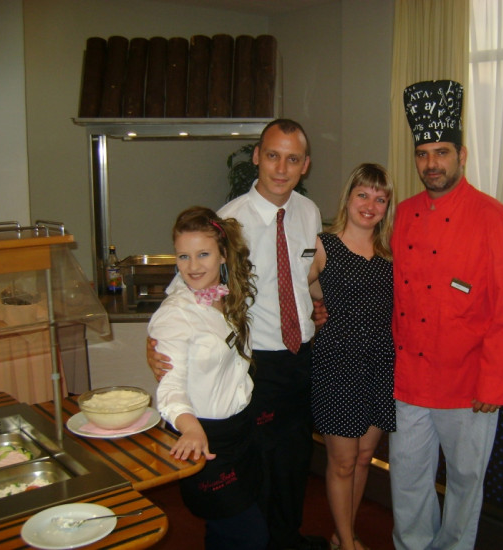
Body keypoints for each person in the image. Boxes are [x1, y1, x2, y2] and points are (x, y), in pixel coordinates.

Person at [148, 119, 326, 550]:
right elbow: (185, 286)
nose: (281, 168)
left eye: (292, 159)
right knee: (257, 471)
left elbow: (300, 276)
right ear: (257, 157)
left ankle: (287, 541)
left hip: (300, 359)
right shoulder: (228, 220)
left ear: (305, 165)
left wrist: (313, 306)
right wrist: (155, 345)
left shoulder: (309, 212)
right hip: (255, 364)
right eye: (272, 156)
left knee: (294, 463)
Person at [389, 80, 503, 549]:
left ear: (462, 155)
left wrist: (495, 382)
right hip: (411, 380)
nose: (431, 163)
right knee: (406, 482)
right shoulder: (404, 214)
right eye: (423, 154)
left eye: (442, 153)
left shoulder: (494, 217)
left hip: (469, 385)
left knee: (465, 485)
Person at [148, 206, 267, 549]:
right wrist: (189, 428)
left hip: (240, 430)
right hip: (204, 437)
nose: (192, 266)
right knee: (250, 536)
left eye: (203, 254)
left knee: (224, 532)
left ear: (223, 255)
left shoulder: (226, 295)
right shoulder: (175, 315)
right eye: (183, 256)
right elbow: (170, 386)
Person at [307, 163, 396, 550]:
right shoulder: (323, 245)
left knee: (363, 458)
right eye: (363, 194)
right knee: (342, 462)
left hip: (381, 364)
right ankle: (346, 540)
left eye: (380, 198)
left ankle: (342, 532)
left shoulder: (390, 252)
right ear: (348, 197)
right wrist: (314, 307)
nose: (370, 205)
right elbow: (291, 290)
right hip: (338, 366)